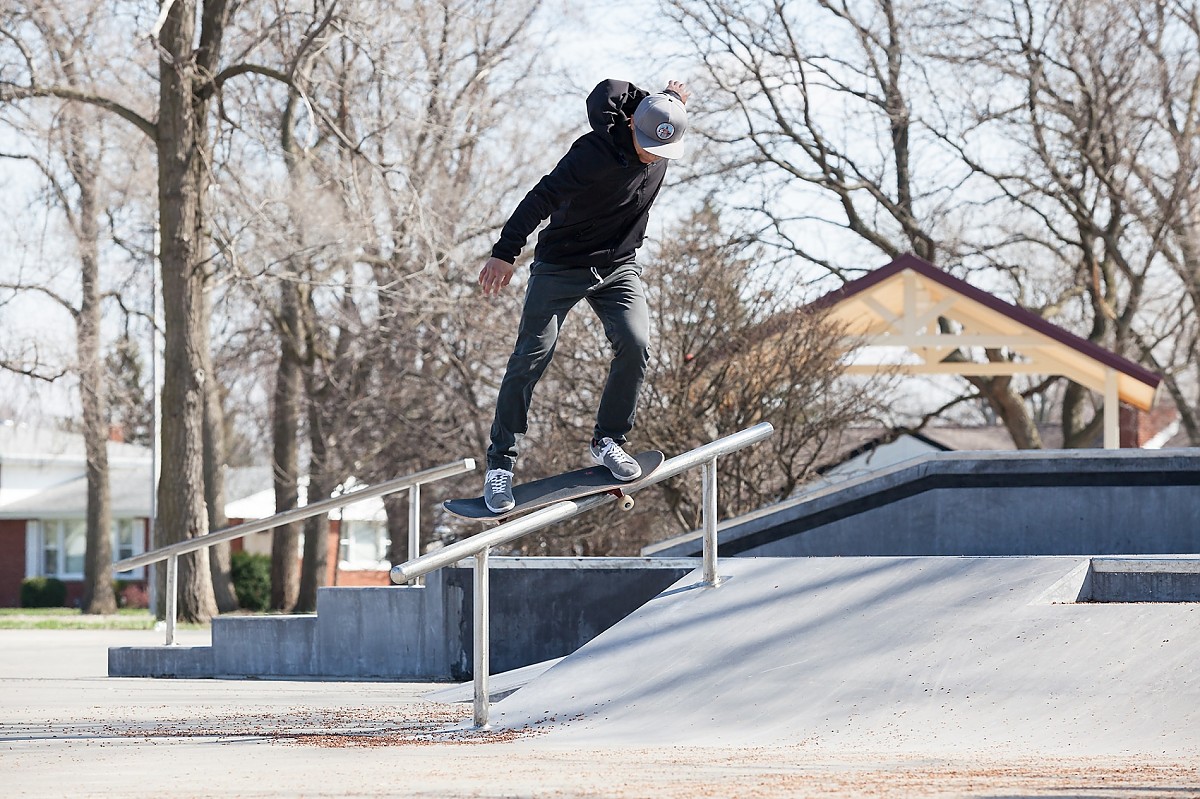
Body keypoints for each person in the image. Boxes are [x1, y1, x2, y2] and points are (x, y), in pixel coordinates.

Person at [478, 78, 691, 513]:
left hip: (618, 266)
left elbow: (662, 115)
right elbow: (540, 198)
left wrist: (673, 101)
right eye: (648, 145)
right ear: (631, 124)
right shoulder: (590, 155)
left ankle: (608, 440)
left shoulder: (660, 130)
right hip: (562, 266)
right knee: (530, 357)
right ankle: (500, 465)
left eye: (662, 151)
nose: (653, 157)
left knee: (636, 344)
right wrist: (506, 252)